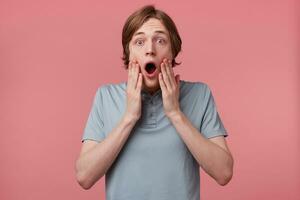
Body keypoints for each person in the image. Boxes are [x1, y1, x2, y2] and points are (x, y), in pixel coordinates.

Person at [75, 4, 234, 200]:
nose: (150, 50)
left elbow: (224, 173)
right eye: (139, 42)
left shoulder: (199, 94)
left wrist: (175, 113)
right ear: (129, 53)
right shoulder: (105, 97)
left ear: (172, 51)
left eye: (160, 40)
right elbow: (84, 177)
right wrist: (129, 117)